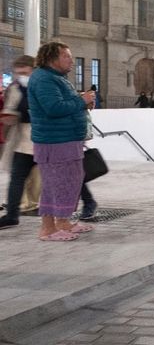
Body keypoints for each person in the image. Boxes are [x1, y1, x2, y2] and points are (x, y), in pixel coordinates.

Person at [28, 42, 96, 241]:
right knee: (54, 184)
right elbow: (53, 108)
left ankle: (63, 222)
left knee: (68, 182)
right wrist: (80, 101)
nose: (71, 60)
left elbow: (65, 105)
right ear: (52, 58)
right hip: (54, 142)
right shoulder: (43, 79)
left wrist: (82, 104)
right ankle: (47, 229)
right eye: (66, 56)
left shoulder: (57, 78)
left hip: (67, 140)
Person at [0, 55, 36, 229]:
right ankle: (12, 214)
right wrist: (9, 117)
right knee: (17, 178)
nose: (21, 75)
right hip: (23, 140)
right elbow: (10, 109)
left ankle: (85, 203)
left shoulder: (42, 85)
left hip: (45, 139)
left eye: (24, 71)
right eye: (18, 72)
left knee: (60, 175)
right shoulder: (14, 88)